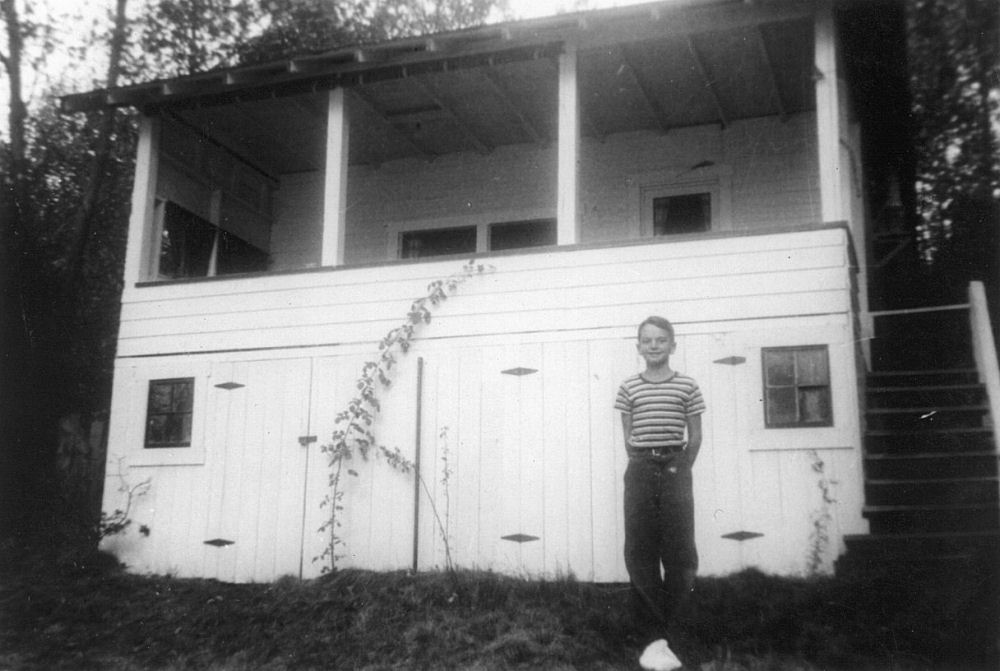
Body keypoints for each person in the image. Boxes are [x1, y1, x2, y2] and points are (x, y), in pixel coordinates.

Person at [614, 316, 706, 671]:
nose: (654, 346)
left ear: (672, 346)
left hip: (675, 467)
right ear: (638, 347)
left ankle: (676, 631)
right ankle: (652, 638)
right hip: (640, 468)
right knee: (640, 550)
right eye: (647, 341)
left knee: (680, 551)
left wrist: (679, 467)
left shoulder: (687, 386)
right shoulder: (628, 388)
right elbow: (628, 436)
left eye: (661, 340)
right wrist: (644, 463)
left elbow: (695, 436)